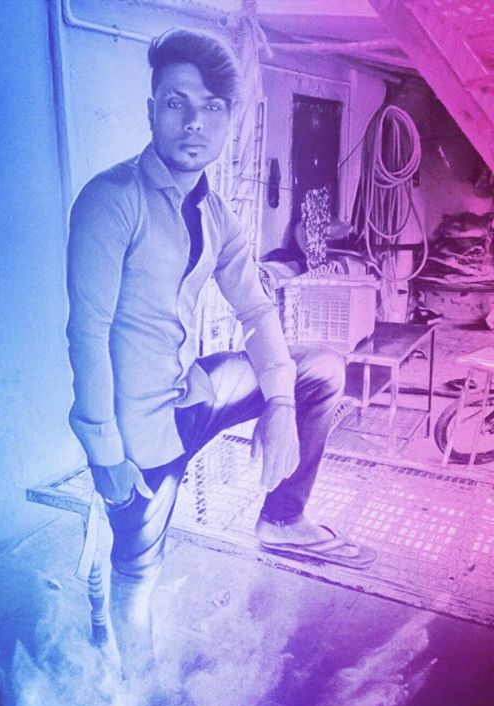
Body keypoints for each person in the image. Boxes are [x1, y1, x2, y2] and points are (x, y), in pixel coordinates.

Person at [66, 29, 374, 667]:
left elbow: (256, 310)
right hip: (140, 429)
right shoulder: (110, 201)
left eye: (211, 107)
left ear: (229, 121)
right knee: (136, 581)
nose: (193, 123)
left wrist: (281, 406)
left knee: (320, 370)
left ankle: (282, 519)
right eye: (176, 103)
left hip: (195, 392)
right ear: (151, 109)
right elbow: (87, 333)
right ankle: (129, 690)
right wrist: (105, 458)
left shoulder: (216, 214)